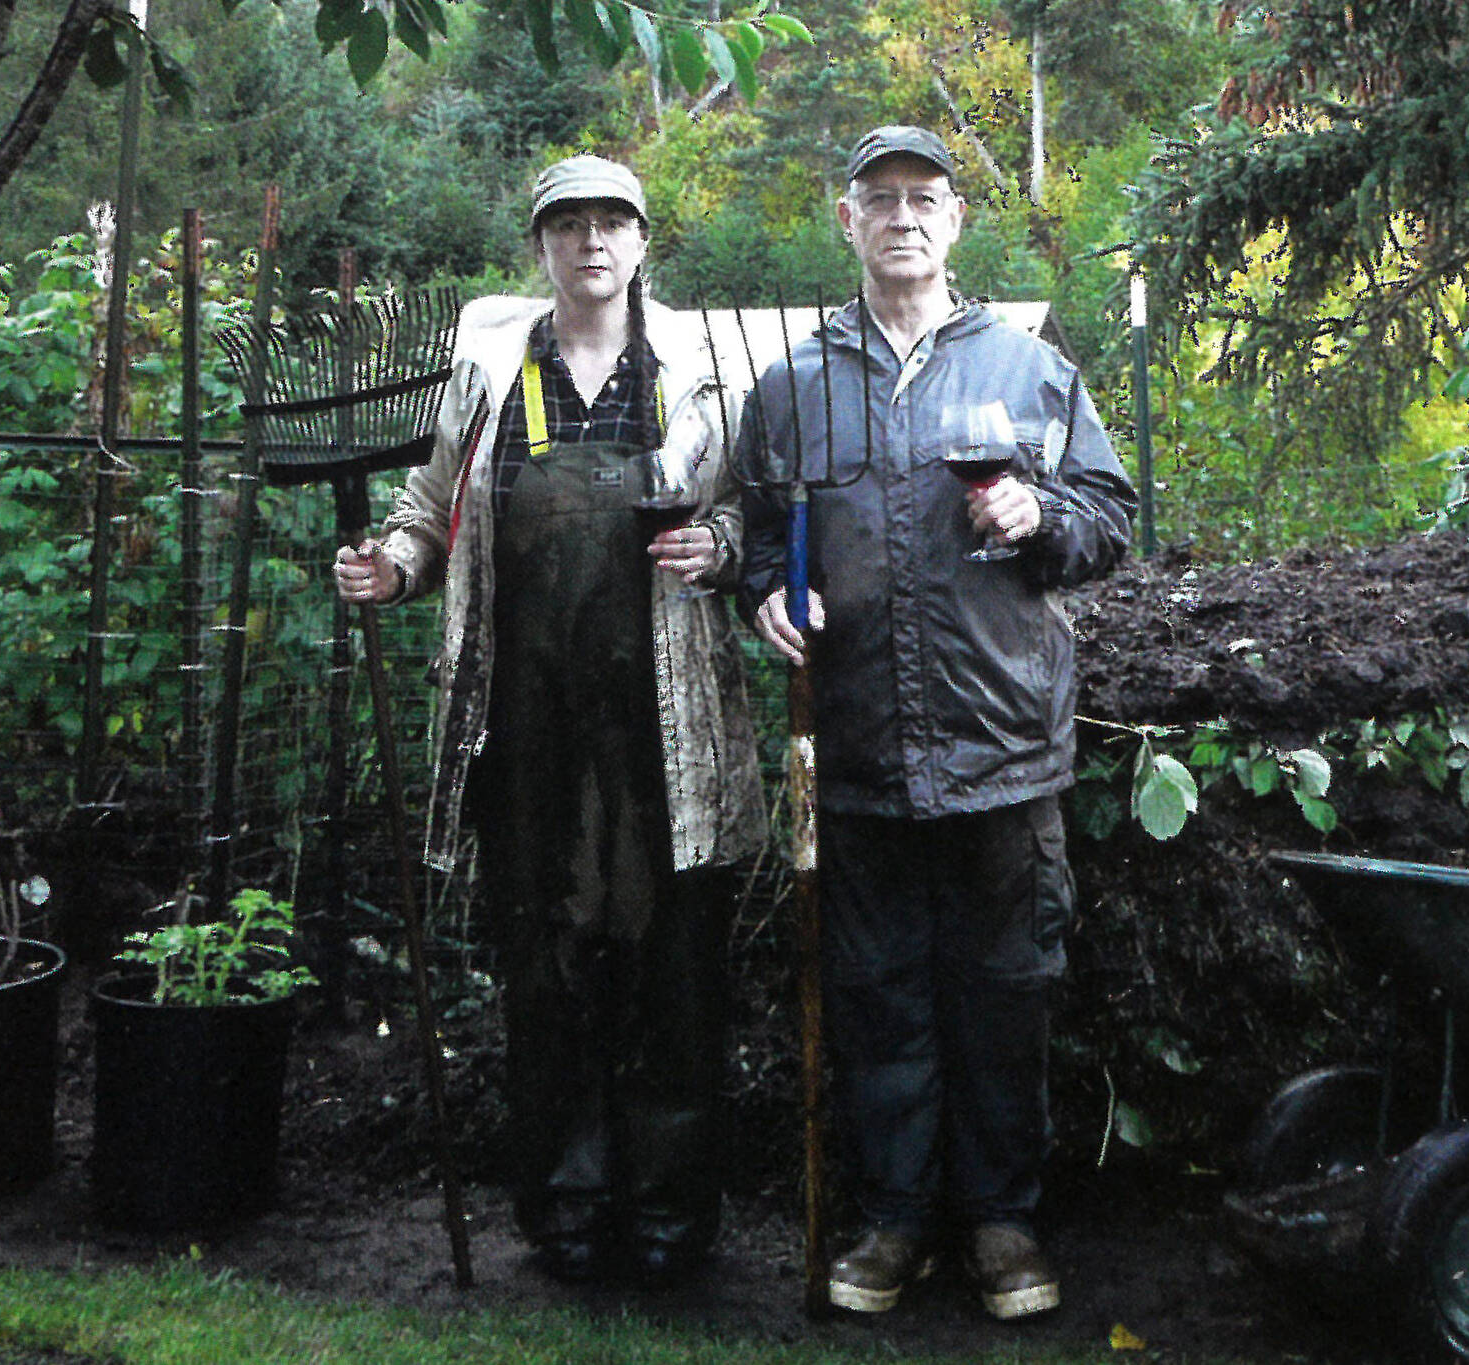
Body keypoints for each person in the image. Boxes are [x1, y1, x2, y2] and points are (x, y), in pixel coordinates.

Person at [333, 154, 764, 1287]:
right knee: (547, 966)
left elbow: (746, 519)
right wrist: (394, 565)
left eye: (608, 223)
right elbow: (430, 512)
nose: (588, 244)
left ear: (637, 243)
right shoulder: (485, 374)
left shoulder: (700, 372)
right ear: (539, 249)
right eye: (565, 226)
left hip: (663, 729)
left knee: (672, 970)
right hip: (522, 729)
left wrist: (715, 548)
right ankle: (564, 1209)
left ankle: (670, 1213)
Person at [737, 126, 1136, 1320]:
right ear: (844, 220)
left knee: (1003, 992)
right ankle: (895, 1224)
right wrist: (769, 588)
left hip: (1002, 747)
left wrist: (1040, 512)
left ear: (955, 220)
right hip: (853, 748)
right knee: (877, 995)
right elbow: (761, 537)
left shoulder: (1027, 369)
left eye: (923, 198)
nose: (901, 216)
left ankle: (1003, 1227)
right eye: (878, 199)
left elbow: (1110, 519)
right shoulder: (792, 387)